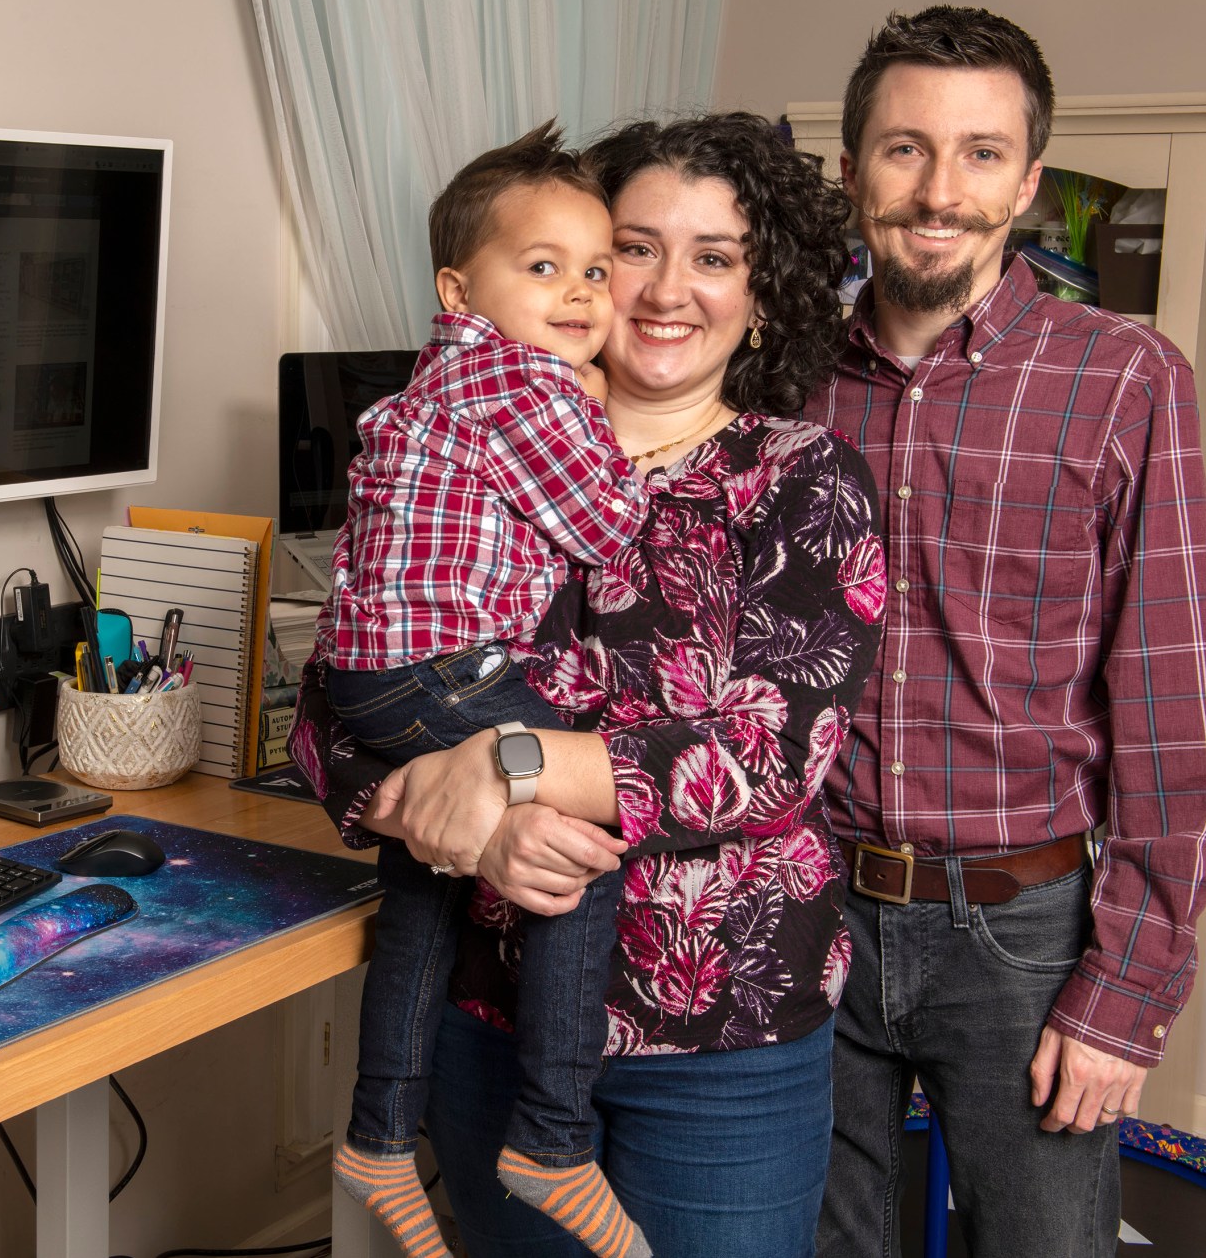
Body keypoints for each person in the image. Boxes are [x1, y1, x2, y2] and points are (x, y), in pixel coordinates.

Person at [293, 111, 883, 1257]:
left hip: (723, 1037)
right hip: (487, 1019)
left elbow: (770, 757)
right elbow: (332, 711)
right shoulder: (462, 441)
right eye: (629, 248)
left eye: (713, 258)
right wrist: (464, 826)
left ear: (761, 300)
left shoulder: (799, 478)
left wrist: (515, 770)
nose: (662, 288)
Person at [802, 6, 1206, 1258]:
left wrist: (1125, 998)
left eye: (980, 153)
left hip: (1021, 932)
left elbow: (1169, 714)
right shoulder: (780, 376)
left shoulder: (1125, 376)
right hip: (805, 900)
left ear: (1028, 181)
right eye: (902, 149)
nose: (938, 190)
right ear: (850, 170)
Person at [319, 122, 650, 1258]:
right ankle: (553, 1141)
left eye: (596, 270)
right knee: (577, 839)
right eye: (542, 267)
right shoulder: (523, 386)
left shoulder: (442, 374)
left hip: (368, 682)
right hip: (446, 672)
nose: (579, 295)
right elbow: (611, 529)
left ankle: (376, 1134)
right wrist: (609, 396)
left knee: (427, 879)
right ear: (461, 287)